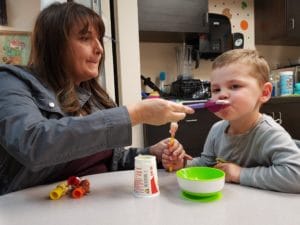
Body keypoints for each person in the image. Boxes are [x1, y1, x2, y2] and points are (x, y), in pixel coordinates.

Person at [0, 2, 194, 195]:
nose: (99, 49)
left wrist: (152, 154)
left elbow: (112, 160)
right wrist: (135, 114)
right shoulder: (11, 82)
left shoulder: (93, 97)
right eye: (85, 38)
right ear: (55, 45)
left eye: (100, 39)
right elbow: (35, 144)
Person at [162, 49, 300, 193]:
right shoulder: (217, 129)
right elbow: (207, 164)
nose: (222, 95)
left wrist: (239, 174)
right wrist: (182, 164)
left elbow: (296, 175)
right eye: (216, 89)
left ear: (264, 93)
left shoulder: (269, 133)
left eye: (235, 86)